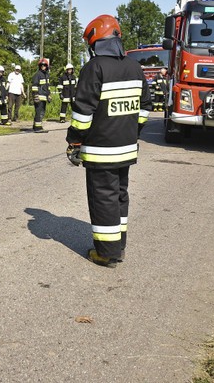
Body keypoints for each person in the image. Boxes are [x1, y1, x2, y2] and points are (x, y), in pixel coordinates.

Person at [65, 14, 151, 268]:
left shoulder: (94, 68)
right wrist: (133, 131)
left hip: (100, 150)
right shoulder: (134, 67)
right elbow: (145, 106)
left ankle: (106, 253)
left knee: (102, 197)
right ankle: (119, 246)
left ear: (95, 42)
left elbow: (82, 113)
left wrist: (74, 140)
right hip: (126, 148)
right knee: (119, 195)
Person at [31, 58, 51, 132]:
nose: (43, 66)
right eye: (41, 65)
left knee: (42, 112)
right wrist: (35, 95)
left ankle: (35, 125)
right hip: (39, 97)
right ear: (39, 66)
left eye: (44, 65)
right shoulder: (37, 75)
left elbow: (47, 86)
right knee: (39, 112)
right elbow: (34, 86)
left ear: (47, 66)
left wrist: (49, 95)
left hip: (44, 97)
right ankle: (38, 128)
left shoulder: (46, 75)